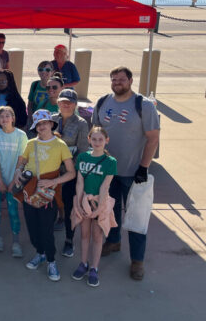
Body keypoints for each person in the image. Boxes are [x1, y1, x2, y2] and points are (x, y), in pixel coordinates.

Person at [93, 66, 159, 281]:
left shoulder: (144, 106)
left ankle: (137, 260)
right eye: (113, 79)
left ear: (130, 80)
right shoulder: (103, 102)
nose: (117, 83)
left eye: (121, 79)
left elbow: (153, 138)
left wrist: (143, 166)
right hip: (108, 171)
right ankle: (113, 241)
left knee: (136, 217)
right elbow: (96, 132)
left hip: (133, 173)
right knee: (110, 211)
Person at [12, 109, 75, 282]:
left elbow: (71, 173)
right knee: (32, 228)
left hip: (49, 194)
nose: (42, 127)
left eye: (45, 123)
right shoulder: (31, 143)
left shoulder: (60, 145)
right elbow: (22, 160)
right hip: (29, 191)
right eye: (38, 124)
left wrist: (52, 182)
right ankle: (40, 253)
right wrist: (18, 170)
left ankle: (51, 260)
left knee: (46, 229)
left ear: (51, 124)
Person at [71, 126, 117, 287]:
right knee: (84, 234)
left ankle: (94, 267)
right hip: (84, 201)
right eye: (94, 139)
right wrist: (78, 202)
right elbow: (79, 181)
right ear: (89, 139)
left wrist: (99, 208)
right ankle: (83, 263)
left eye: (101, 139)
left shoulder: (111, 162)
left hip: (99, 202)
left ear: (106, 141)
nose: (97, 142)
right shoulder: (83, 157)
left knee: (97, 236)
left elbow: (105, 186)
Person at [52, 88, 90, 258]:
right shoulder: (51, 119)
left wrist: (69, 170)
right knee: (50, 204)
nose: (65, 105)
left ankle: (69, 239)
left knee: (69, 207)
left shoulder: (81, 123)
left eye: (69, 102)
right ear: (58, 103)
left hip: (69, 173)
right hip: (50, 170)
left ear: (75, 104)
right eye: (62, 101)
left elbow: (82, 151)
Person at [0, 106, 27, 257]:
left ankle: (16, 241)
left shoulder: (21, 135)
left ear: (13, 118)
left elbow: (21, 159)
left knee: (13, 209)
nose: (5, 118)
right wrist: (1, 182)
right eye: (1, 116)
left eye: (8, 115)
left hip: (14, 178)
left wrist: (13, 181)